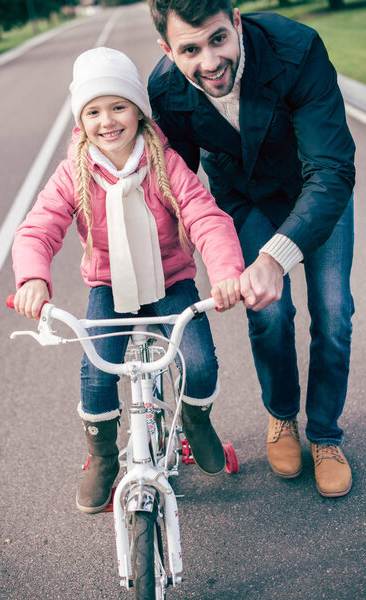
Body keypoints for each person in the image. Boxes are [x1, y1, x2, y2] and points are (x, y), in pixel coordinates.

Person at [11, 47, 245, 513]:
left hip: (170, 280)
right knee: (97, 375)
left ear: (138, 109)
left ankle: (196, 421)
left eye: (118, 106)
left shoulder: (164, 163)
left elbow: (205, 216)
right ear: (81, 121)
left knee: (198, 360)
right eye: (93, 111)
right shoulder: (73, 173)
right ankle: (101, 457)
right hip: (110, 287)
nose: (108, 120)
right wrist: (32, 279)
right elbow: (38, 228)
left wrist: (225, 273)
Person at [148, 0, 356, 497]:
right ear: (168, 50)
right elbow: (175, 182)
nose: (210, 61)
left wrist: (274, 257)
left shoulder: (298, 49)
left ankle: (325, 435)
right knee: (267, 310)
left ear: (236, 22)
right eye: (190, 49)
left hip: (317, 191)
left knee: (333, 312)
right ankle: (282, 415)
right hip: (245, 200)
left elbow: (331, 170)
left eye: (219, 38)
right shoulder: (167, 89)